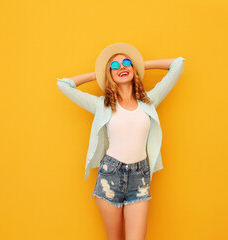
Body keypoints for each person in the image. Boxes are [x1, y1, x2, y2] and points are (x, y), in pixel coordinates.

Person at [56, 43, 186, 240]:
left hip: (140, 177)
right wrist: (100, 74)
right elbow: (63, 84)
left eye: (126, 63)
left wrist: (139, 64)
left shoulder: (149, 101)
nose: (122, 67)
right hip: (110, 176)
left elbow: (178, 64)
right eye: (114, 66)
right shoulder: (102, 105)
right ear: (110, 74)